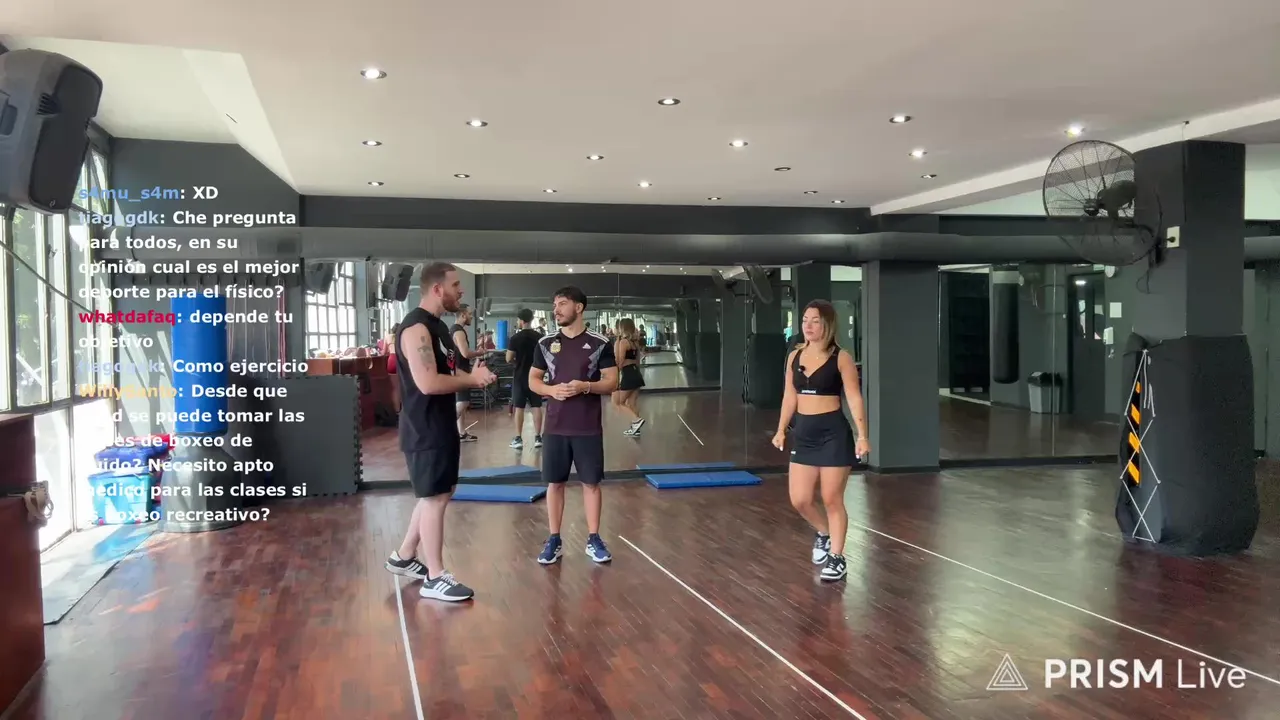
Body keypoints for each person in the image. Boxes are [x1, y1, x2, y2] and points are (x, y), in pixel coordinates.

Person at [384, 262, 497, 602]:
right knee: (434, 499)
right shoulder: (416, 328)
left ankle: (404, 555)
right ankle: (435, 576)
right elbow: (428, 383)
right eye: (456, 285)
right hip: (424, 428)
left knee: (438, 493)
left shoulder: (440, 328)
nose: (461, 291)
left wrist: (473, 374)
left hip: (441, 423)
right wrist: (472, 380)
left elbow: (449, 371)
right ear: (437, 289)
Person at [772, 299, 869, 582]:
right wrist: (781, 429)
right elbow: (789, 396)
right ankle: (824, 533)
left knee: (831, 498)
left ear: (827, 324)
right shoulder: (794, 356)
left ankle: (837, 558)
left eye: (815, 321)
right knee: (800, 499)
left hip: (832, 434)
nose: (808, 326)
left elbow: (854, 397)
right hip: (804, 433)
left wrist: (863, 435)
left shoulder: (841, 358)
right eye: (805, 320)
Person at [528, 287, 619, 565]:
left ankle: (594, 538)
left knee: (591, 484)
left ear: (579, 308)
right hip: (555, 426)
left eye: (562, 304)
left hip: (587, 427)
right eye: (554, 304)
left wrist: (585, 386)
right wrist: (550, 390)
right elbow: (533, 380)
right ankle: (554, 539)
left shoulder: (600, 343)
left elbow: (612, 381)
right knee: (555, 484)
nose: (556, 309)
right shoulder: (545, 343)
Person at [506, 308, 545, 450]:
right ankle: (538, 437)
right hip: (536, 376)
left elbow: (508, 358)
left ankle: (518, 438)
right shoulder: (539, 337)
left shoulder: (515, 338)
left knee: (519, 407)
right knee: (536, 406)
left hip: (520, 376)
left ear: (521, 321)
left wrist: (517, 362)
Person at [451, 305, 485, 442]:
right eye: (470, 314)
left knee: (461, 401)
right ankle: (445, 427)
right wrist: (479, 353)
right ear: (463, 315)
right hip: (460, 371)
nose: (471, 316)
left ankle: (461, 433)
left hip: (459, 369)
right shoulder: (458, 331)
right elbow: (465, 353)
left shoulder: (456, 330)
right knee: (463, 402)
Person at [612, 318, 645, 436]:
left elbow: (619, 362)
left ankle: (636, 420)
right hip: (636, 374)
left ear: (622, 328)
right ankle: (635, 429)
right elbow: (638, 362)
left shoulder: (623, 342)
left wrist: (614, 377)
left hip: (628, 374)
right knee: (631, 404)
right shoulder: (634, 343)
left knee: (616, 402)